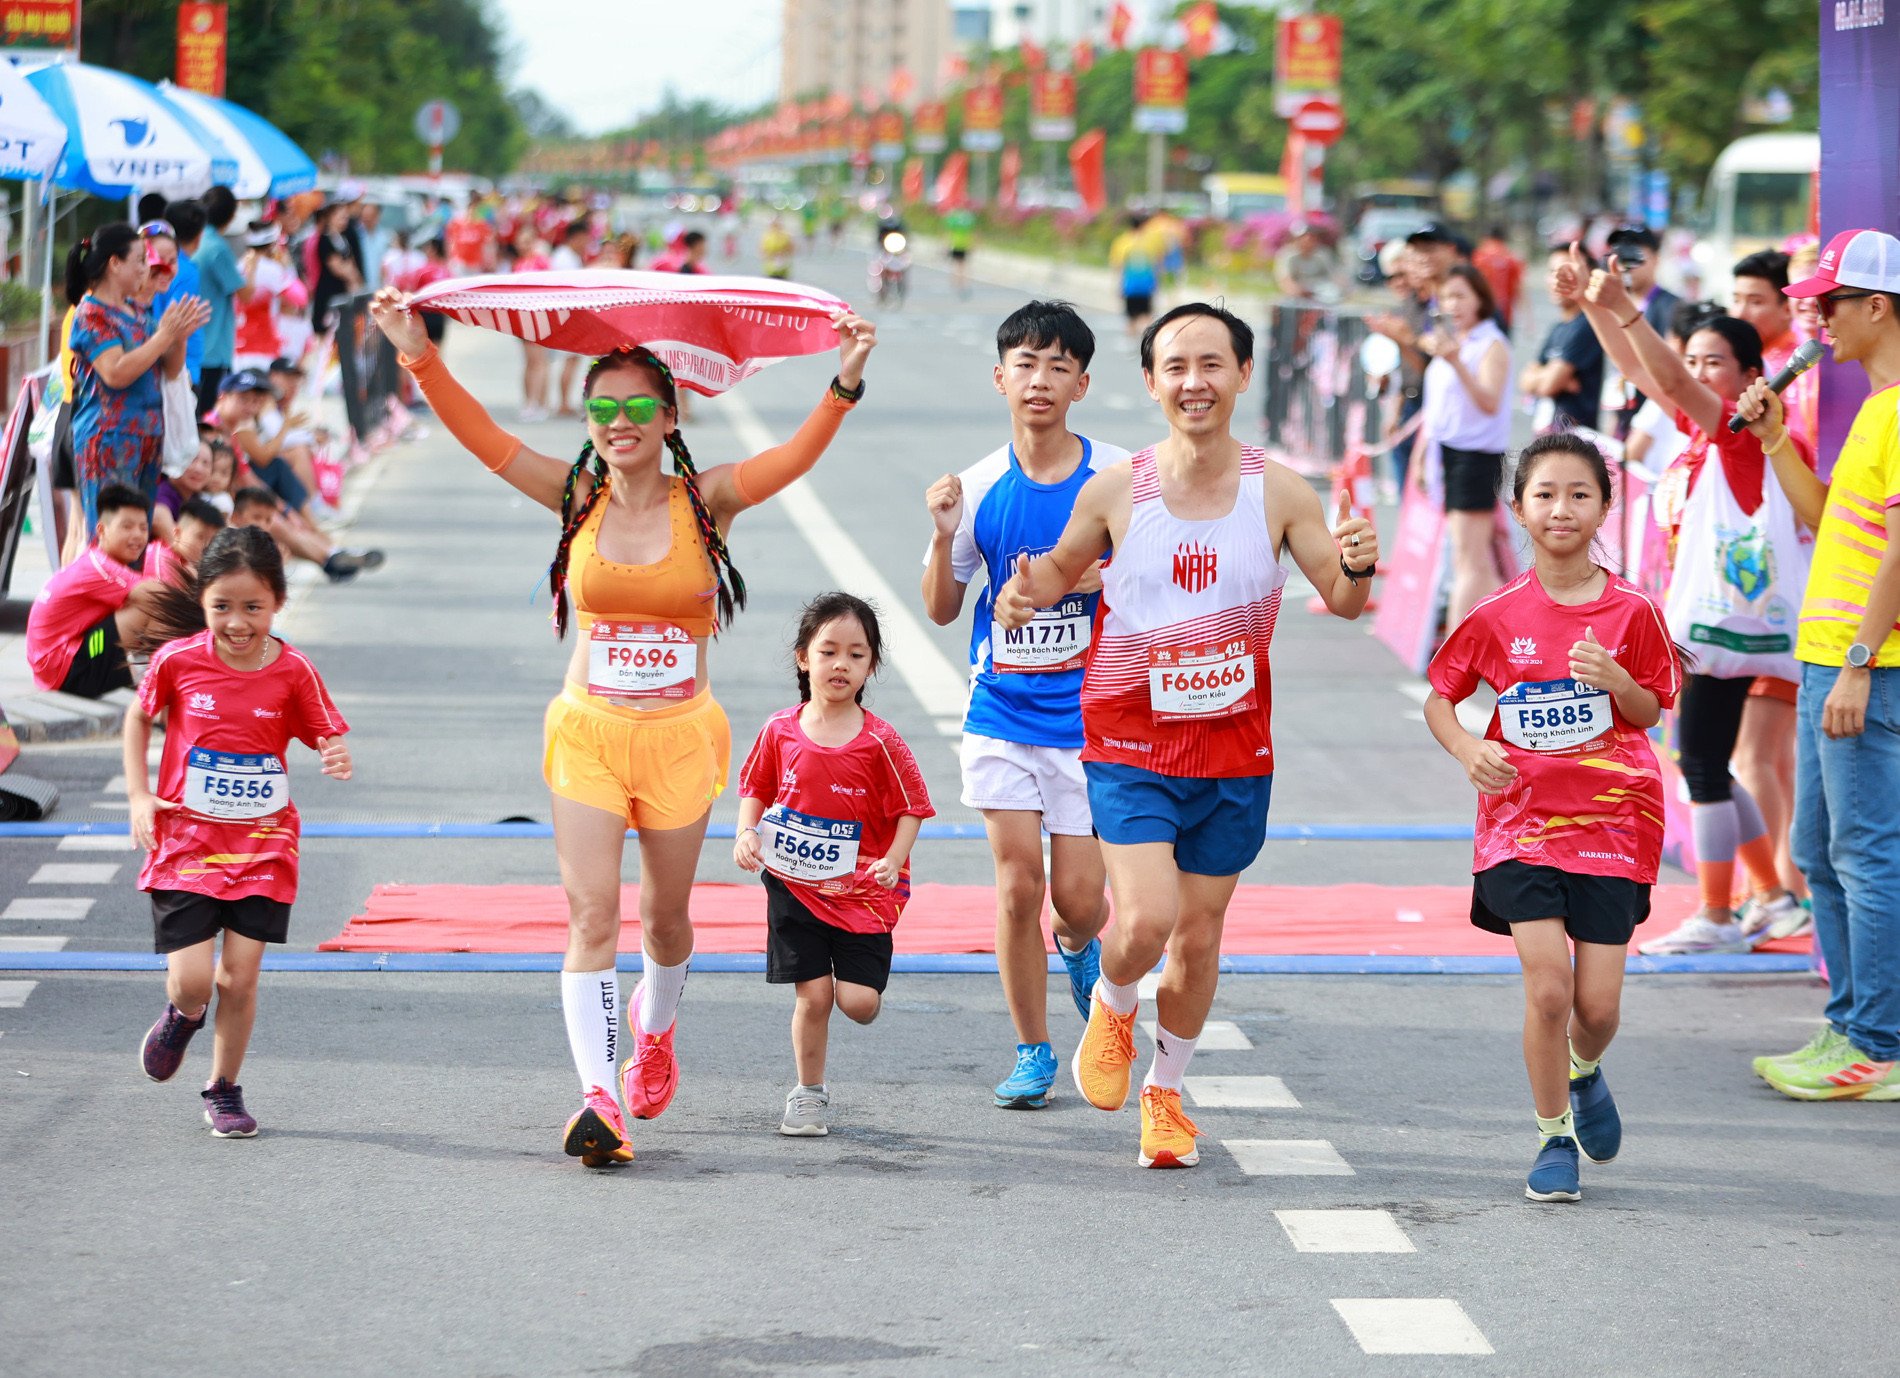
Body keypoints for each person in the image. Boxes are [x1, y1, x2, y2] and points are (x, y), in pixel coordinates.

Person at [368, 283, 878, 1168]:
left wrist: (843, 382)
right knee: (591, 915)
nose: (618, 420)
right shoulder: (574, 499)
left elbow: (789, 460)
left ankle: (657, 1030)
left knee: (667, 923)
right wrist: (417, 350)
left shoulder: (707, 499)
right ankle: (599, 1095)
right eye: (601, 406)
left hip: (682, 739)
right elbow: (486, 439)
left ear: (670, 412)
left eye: (637, 404)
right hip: (589, 736)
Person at [993, 303, 1379, 1169]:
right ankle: (1115, 1001)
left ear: (1243, 375)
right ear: (1152, 382)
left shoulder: (1278, 491)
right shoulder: (1115, 489)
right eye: (1176, 367)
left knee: (1199, 940)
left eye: (1212, 364)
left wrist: (1357, 562)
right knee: (1148, 922)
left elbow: (1345, 600)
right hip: (1131, 741)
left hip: (1235, 752)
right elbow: (1054, 575)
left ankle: (1165, 1097)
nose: (1194, 382)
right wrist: (1023, 594)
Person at [1424, 433, 1682, 1201]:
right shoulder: (1499, 613)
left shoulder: (1632, 610)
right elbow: (1443, 696)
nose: (1562, 508)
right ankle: (1552, 1136)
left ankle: (1584, 1067)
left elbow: (1653, 709)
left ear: (1604, 505)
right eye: (1544, 494)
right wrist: (1469, 747)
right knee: (1549, 991)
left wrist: (1614, 679)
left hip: (1614, 823)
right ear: (1519, 509)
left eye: (1579, 493)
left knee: (1595, 1009)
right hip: (1522, 821)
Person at [1565, 247, 1811, 955]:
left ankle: (1718, 914)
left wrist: (1622, 306)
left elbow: (1663, 371)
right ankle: (1768, 893)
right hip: (1715, 623)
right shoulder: (1708, 436)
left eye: (1715, 364)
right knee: (1709, 764)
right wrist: (1594, 304)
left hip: (1717, 628)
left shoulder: (1736, 435)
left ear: (1749, 378)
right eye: (1696, 361)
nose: (1698, 375)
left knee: (1702, 767)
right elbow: (1646, 372)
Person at [920, 301, 1123, 1109]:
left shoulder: (1117, 477)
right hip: (1001, 711)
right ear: (1000, 377)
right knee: (1014, 889)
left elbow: (1160, 577)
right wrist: (941, 538)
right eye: (1025, 365)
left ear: (1081, 382)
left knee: (1077, 901)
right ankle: (1034, 1050)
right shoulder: (975, 487)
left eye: (1057, 366)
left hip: (1092, 717)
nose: (1040, 381)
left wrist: (1082, 577)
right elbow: (941, 609)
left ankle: (1080, 949)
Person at [1736, 228, 1900, 1101]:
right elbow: (1835, 517)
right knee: (1822, 850)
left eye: (1830, 304)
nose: (1818, 319)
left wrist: (1861, 663)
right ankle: (1849, 1026)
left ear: (1877, 307)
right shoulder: (1877, 407)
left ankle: (1878, 1040)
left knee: (1865, 854)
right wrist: (1773, 442)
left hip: (1864, 668)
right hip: (1828, 660)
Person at [126, 526, 353, 1138]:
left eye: (252, 607)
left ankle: (223, 1088)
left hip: (264, 843)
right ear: (203, 604)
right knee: (196, 979)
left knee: (242, 976)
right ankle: (183, 1012)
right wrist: (139, 794)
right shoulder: (179, 662)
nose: (237, 622)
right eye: (222, 606)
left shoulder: (293, 669)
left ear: (277, 602)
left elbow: (322, 730)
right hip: (187, 843)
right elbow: (138, 718)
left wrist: (332, 753)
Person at [733, 593, 933, 1136]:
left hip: (863, 895)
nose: (840, 664)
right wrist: (746, 831)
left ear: (871, 666)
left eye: (856, 654)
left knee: (859, 1003)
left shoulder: (881, 741)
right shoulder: (780, 730)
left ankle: (862, 991)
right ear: (804, 658)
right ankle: (808, 1093)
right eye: (828, 651)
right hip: (793, 886)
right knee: (814, 995)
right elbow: (754, 786)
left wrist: (893, 860)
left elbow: (913, 807)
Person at [66, 225, 210, 529]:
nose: (146, 270)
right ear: (115, 264)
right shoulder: (92, 314)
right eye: (140, 261)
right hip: (108, 440)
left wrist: (179, 336)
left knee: (136, 538)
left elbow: (169, 370)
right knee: (111, 534)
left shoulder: (136, 311)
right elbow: (115, 372)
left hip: (146, 438)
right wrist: (165, 335)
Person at [1417, 263, 1513, 629]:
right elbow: (1436, 412)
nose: (1452, 305)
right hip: (1448, 453)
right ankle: (1516, 632)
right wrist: (1423, 456)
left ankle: (1457, 650)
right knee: (1475, 561)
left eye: (1460, 296)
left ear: (1480, 299)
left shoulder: (1491, 344)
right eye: (1446, 297)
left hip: (1477, 457)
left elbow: (1488, 401)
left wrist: (1456, 362)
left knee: (1468, 560)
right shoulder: (1456, 343)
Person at [25, 484, 183, 698]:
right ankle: (157, 688)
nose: (137, 535)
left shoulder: (96, 558)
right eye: (127, 527)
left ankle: (152, 680)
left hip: (56, 664)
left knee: (154, 605)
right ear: (101, 530)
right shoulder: (99, 566)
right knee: (155, 605)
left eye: (143, 528)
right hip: (64, 669)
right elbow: (160, 597)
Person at [1521, 244, 1605, 435]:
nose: (1556, 279)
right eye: (1552, 272)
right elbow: (1525, 379)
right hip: (1550, 436)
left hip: (1574, 443)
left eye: (1566, 271)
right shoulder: (1559, 327)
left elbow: (1549, 385)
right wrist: (1559, 379)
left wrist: (1550, 378)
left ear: (1588, 274)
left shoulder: (1588, 325)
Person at [193, 186, 246, 412]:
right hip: (213, 348)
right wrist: (252, 264)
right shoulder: (217, 249)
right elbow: (245, 293)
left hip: (192, 345)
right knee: (207, 415)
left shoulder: (195, 241)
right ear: (231, 215)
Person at [149, 203, 208, 393]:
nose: (166, 269)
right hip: (181, 369)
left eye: (171, 261)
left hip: (168, 364)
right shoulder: (188, 271)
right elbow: (176, 318)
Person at [1109, 213, 1161, 338]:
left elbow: (1118, 266)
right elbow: (1158, 263)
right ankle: (1148, 343)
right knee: (1147, 316)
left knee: (1131, 318)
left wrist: (1119, 286)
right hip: (1147, 285)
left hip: (1130, 286)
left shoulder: (1122, 242)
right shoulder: (1150, 242)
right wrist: (1157, 283)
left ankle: (1131, 344)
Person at [1472, 226, 1525, 333]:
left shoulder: (1478, 257)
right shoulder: (1511, 258)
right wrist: (1527, 319)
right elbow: (1519, 288)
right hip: (1505, 314)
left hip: (1482, 314)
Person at [1276, 222, 1343, 303]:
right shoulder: (1288, 255)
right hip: (1299, 291)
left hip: (1320, 290)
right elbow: (1285, 279)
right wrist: (1297, 291)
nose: (1308, 240)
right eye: (1304, 237)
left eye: (1312, 237)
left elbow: (1334, 275)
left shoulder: (1322, 254)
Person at [944, 203, 976, 297]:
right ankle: (963, 284)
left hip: (956, 245)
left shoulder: (954, 218)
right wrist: (973, 245)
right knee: (963, 266)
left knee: (956, 265)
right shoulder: (968, 219)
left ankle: (956, 283)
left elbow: (948, 233)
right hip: (965, 245)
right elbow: (973, 233)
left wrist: (946, 245)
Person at [760, 216, 795, 281]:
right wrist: (772, 255)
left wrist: (783, 253)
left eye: (778, 225)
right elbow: (762, 252)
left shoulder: (786, 236)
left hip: (783, 269)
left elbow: (792, 250)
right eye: (774, 224)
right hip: (770, 269)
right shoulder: (767, 237)